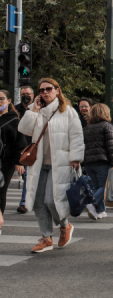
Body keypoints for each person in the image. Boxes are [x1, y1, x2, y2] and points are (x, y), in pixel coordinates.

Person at [18, 78, 84, 253]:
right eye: (41, 90)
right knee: (39, 202)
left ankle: (65, 225)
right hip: (39, 164)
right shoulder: (37, 111)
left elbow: (77, 135)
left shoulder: (68, 112)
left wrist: (75, 158)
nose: (45, 92)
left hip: (60, 165)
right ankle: (46, 237)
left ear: (57, 90)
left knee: (51, 200)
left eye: (49, 89)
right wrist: (33, 109)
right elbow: (23, 129)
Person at [81, 103, 113, 220]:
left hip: (88, 162)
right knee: (104, 186)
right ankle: (91, 203)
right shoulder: (107, 126)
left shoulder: (87, 127)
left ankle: (99, 210)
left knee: (96, 186)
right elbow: (111, 146)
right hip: (102, 161)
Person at [0, 90, 27, 234]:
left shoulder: (14, 120)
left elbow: (20, 143)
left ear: (9, 101)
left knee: (1, 191)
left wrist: (19, 162)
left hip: (7, 161)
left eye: (2, 99)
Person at [15, 86, 34, 214]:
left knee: (28, 176)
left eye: (27, 94)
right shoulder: (16, 110)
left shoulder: (38, 109)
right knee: (27, 176)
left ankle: (24, 202)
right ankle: (25, 202)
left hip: (34, 147)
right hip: (20, 148)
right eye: (23, 94)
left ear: (33, 95)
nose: (25, 96)